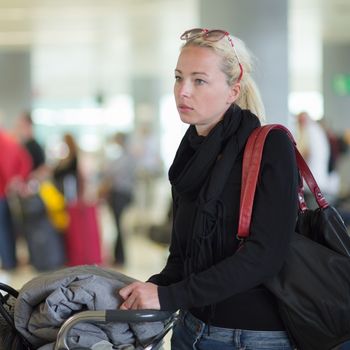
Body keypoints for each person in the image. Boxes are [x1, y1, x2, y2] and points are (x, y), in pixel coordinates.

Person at [118, 28, 299, 349]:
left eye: (199, 80)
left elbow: (264, 256)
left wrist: (169, 295)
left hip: (252, 337)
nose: (183, 91)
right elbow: (181, 259)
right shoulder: (189, 155)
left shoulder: (270, 146)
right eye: (178, 77)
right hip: (190, 329)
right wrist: (148, 290)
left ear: (233, 90)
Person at [100, 132, 137, 266]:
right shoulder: (126, 157)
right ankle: (118, 256)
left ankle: (120, 257)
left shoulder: (125, 158)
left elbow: (111, 174)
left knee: (119, 225)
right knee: (118, 225)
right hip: (122, 193)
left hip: (120, 193)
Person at [0, 127, 32, 270]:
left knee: (3, 229)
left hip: (3, 192)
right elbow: (26, 161)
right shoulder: (10, 139)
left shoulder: (4, 141)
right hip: (7, 193)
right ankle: (10, 260)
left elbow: (4, 164)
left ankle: (8, 262)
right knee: (7, 228)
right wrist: (18, 178)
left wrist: (10, 181)